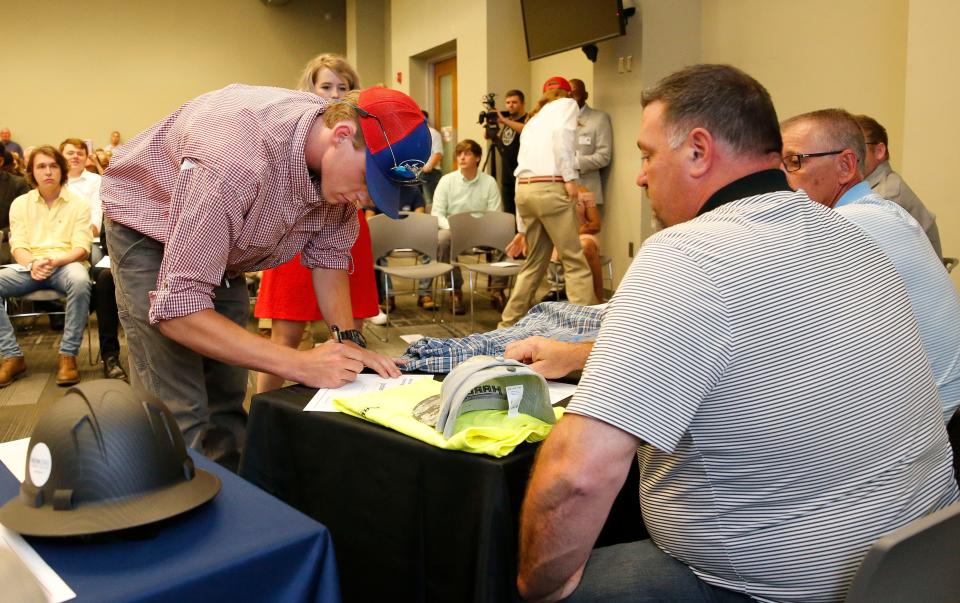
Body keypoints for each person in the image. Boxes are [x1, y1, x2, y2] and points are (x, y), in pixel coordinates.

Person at [516, 64, 959, 602]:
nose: (639, 175)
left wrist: (534, 588)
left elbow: (576, 480)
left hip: (783, 587)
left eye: (647, 154)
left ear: (699, 151)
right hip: (920, 560)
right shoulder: (854, 233)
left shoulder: (686, 253)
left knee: (525, 575)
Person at [101, 84, 426, 468]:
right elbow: (178, 312)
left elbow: (329, 259)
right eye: (369, 183)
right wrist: (298, 363)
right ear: (341, 136)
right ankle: (176, 501)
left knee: (226, 397)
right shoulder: (233, 159)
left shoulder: (336, 171)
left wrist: (348, 342)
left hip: (229, 240)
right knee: (179, 406)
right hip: (149, 224)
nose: (365, 200)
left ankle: (234, 503)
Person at [781, 107, 960, 423]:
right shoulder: (878, 211)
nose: (782, 178)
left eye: (794, 162)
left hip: (933, 420)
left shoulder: (850, 224)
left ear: (846, 165)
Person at [254, 53, 382, 395]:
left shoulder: (357, 144)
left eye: (344, 87)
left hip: (345, 229)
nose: (334, 94)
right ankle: (263, 410)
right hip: (293, 232)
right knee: (286, 336)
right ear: (309, 90)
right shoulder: (291, 139)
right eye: (326, 86)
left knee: (347, 333)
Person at [498, 77, 597, 328]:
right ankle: (584, 329)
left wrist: (522, 228)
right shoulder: (566, 105)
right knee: (574, 260)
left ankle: (507, 323)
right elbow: (563, 137)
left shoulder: (533, 119)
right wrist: (570, 177)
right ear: (567, 94)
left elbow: (520, 169)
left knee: (534, 264)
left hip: (525, 192)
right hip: (550, 188)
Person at [0, 146, 92, 387]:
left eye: (53, 166)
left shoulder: (78, 204)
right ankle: (12, 356)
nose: (48, 171)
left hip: (66, 264)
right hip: (29, 266)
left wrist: (54, 261)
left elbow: (82, 247)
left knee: (81, 280)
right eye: (41, 166)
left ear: (62, 170)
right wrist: (33, 263)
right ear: (32, 172)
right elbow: (17, 245)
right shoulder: (20, 204)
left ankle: (68, 355)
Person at [423, 139, 503, 314]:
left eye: (467, 154)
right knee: (442, 239)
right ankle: (455, 289)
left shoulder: (489, 182)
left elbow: (495, 213)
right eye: (459, 154)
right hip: (454, 230)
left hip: (482, 231)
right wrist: (453, 227)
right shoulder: (446, 181)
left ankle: (497, 289)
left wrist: (484, 228)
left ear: (478, 158)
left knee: (503, 235)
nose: (462, 157)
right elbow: (437, 213)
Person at [854, 114, 942, 257]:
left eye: (857, 147)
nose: (849, 155)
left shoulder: (886, 196)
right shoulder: (877, 186)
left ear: (879, 151)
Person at [495, 89, 527, 215]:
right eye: (507, 103)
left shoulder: (528, 119)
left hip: (522, 175)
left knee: (522, 214)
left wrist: (505, 121)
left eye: (514, 102)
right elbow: (506, 146)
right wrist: (493, 136)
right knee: (509, 214)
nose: (510, 105)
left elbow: (526, 130)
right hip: (507, 176)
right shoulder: (508, 122)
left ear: (523, 103)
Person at [420, 110, 444, 204]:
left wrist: (428, 167)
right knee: (420, 201)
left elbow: (438, 153)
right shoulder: (416, 134)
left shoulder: (433, 133)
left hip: (430, 174)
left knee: (430, 201)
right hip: (418, 173)